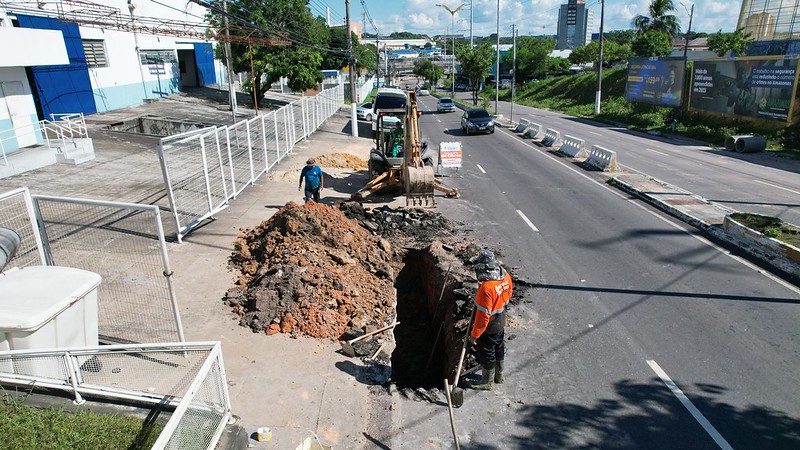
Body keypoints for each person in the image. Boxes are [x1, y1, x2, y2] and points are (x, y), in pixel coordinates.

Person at [468, 250, 513, 390]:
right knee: (499, 346)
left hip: (490, 325)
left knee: (487, 351)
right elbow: (509, 294)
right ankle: (499, 376)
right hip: (501, 319)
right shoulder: (505, 276)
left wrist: (474, 335)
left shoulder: (486, 289)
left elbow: (482, 317)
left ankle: (487, 382)